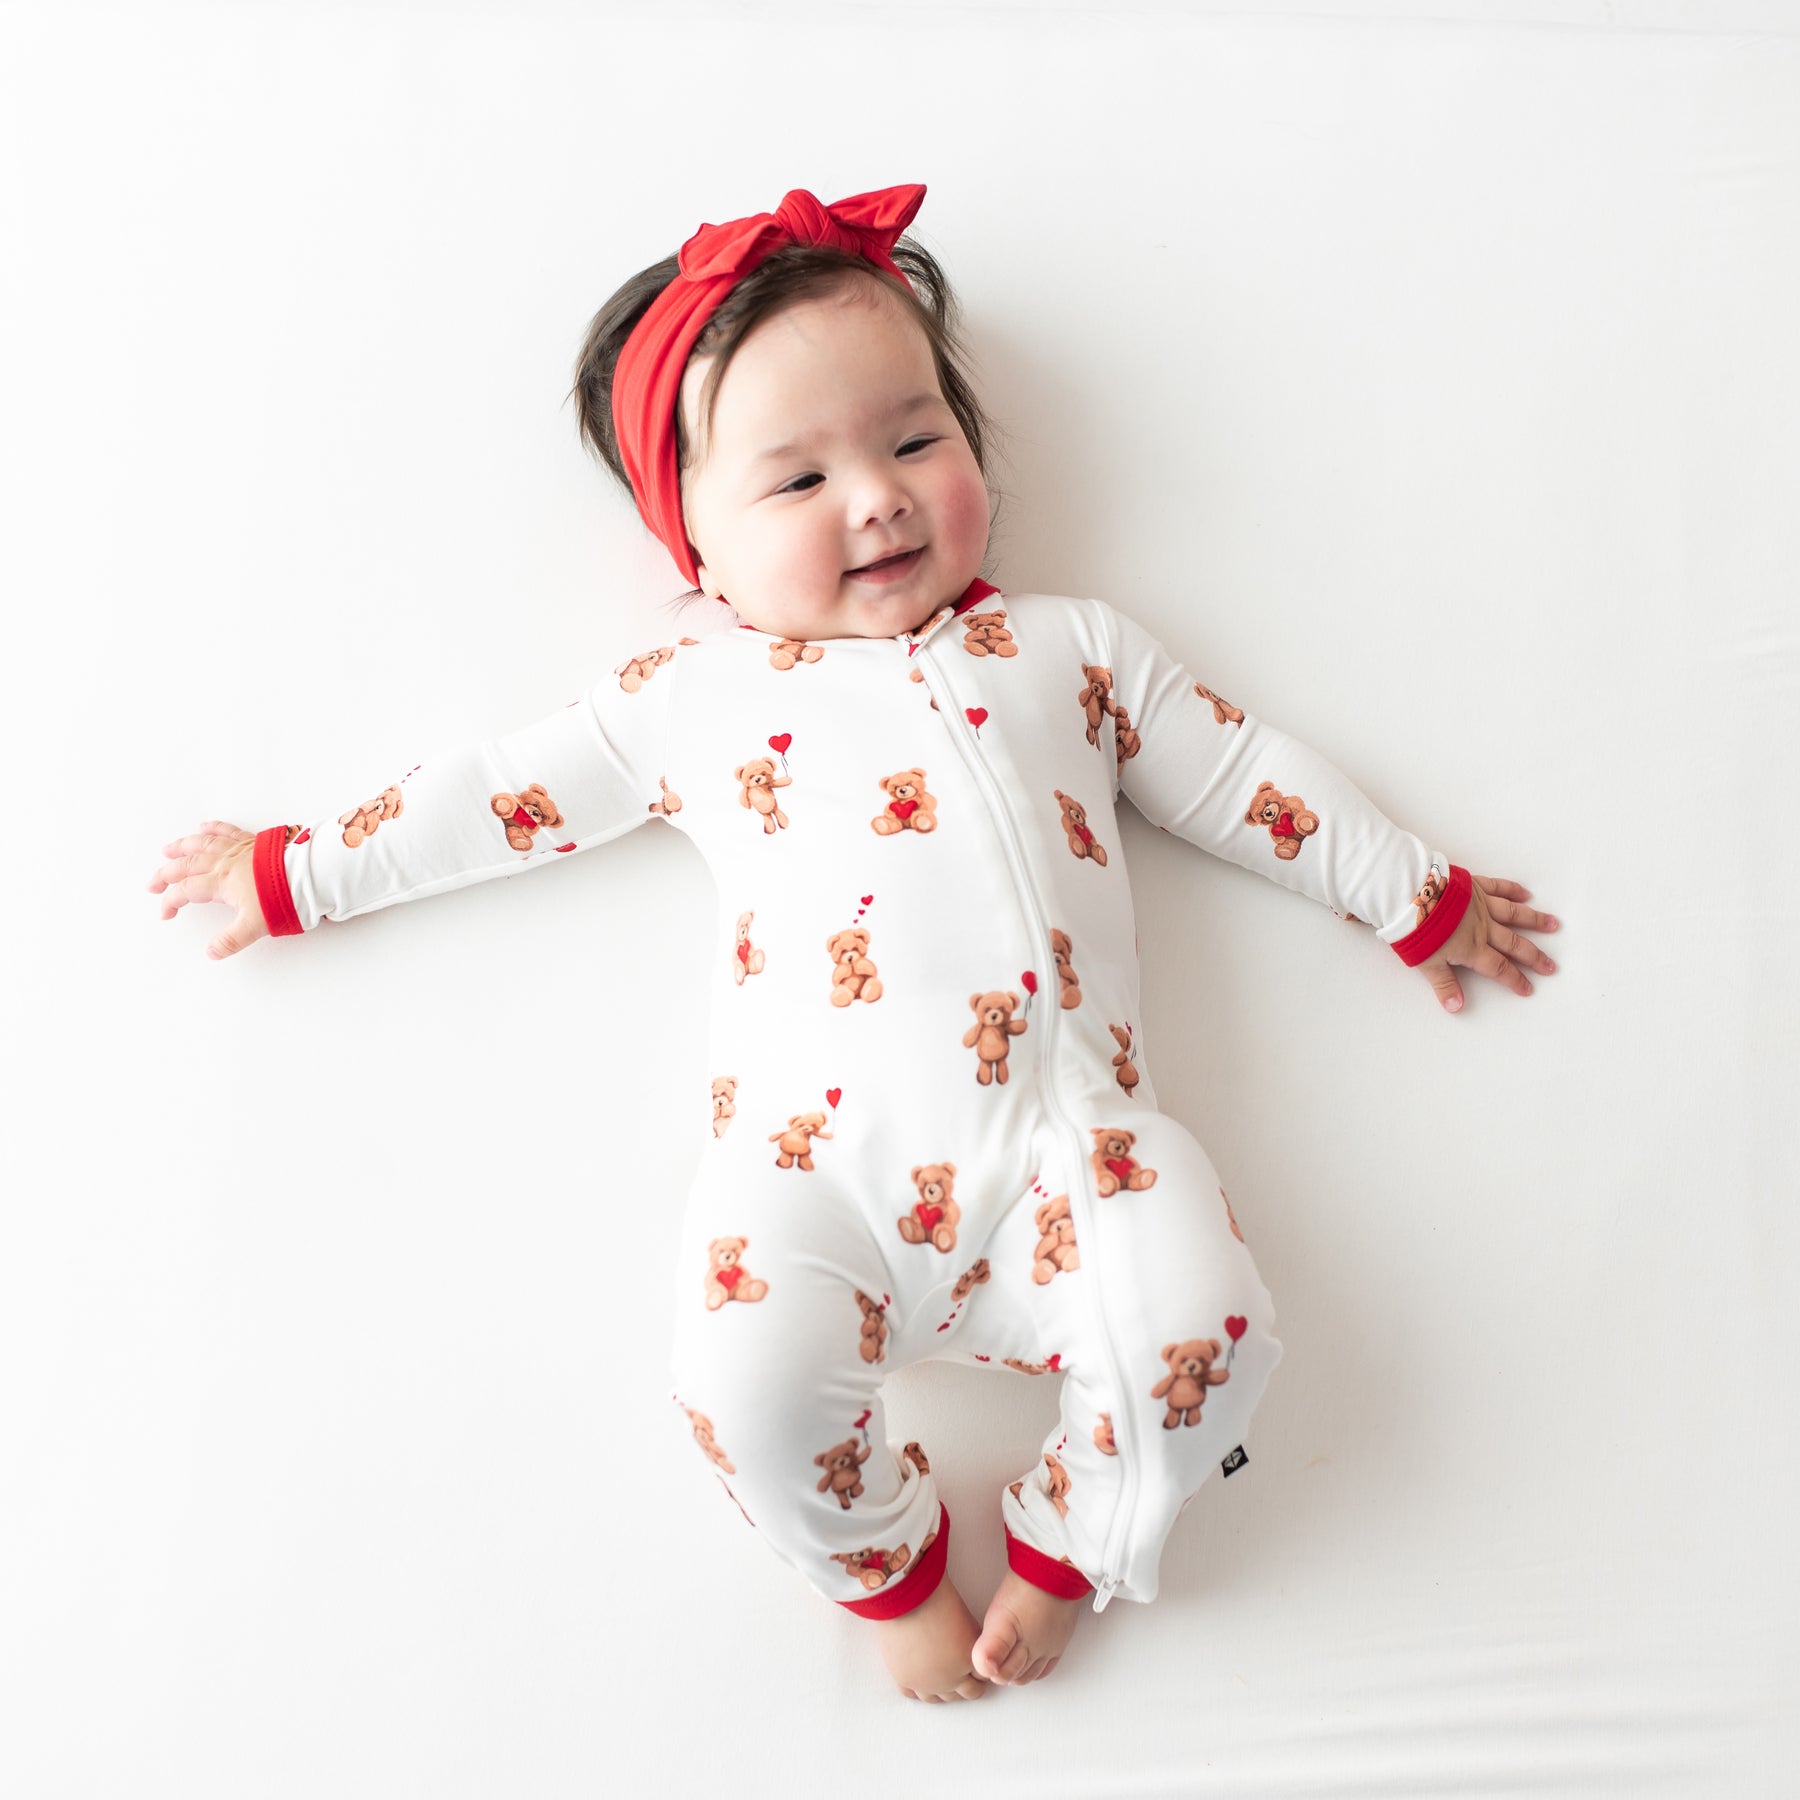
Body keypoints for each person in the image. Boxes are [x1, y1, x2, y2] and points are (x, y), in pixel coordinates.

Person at [146, 184, 1560, 1704]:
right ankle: (880, 1564)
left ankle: (1071, 1538)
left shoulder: (1071, 651)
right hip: (809, 1176)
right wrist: (301, 873)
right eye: (797, 479)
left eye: (912, 440)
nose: (876, 500)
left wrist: (1406, 890)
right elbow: (494, 800)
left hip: (1073, 1155)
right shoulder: (686, 696)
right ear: (690, 542)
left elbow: (1238, 775)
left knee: (1208, 1327)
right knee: (737, 1384)